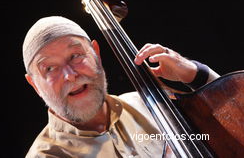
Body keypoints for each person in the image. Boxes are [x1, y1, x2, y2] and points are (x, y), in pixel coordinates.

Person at [23, 16, 219, 158]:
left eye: (75, 56)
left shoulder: (150, 104)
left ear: (96, 54)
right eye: (49, 68)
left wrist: (194, 73)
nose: (70, 75)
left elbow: (241, 119)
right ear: (35, 86)